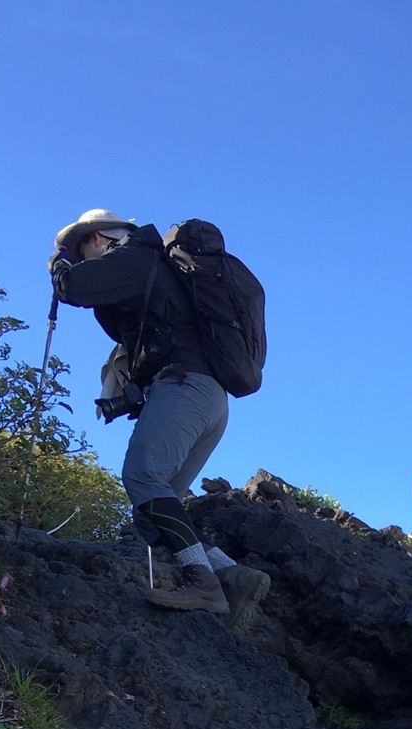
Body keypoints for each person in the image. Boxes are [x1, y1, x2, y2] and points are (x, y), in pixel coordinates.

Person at [48, 210, 268, 631]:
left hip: (185, 388)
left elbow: (74, 288)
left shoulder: (133, 256)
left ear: (99, 238)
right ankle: (231, 575)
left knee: (142, 476)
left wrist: (59, 263)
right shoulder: (157, 270)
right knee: (154, 514)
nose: (79, 257)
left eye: (81, 249)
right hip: (209, 399)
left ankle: (200, 581)